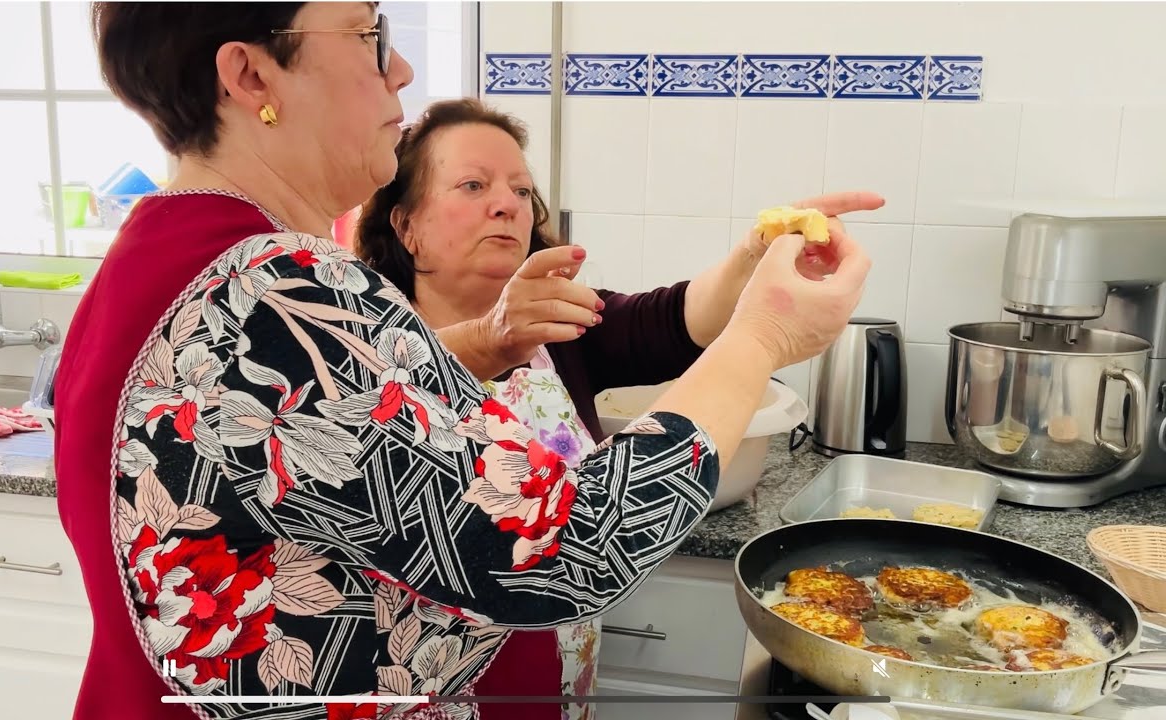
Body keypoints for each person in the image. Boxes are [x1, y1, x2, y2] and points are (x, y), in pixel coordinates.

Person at [52, 5, 872, 720]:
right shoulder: (273, 288)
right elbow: (566, 550)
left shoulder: (166, 261)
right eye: (371, 34)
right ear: (252, 76)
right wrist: (761, 339)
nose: (400, 68)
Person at [353, 97, 884, 717]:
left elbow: (677, 319)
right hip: (430, 688)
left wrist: (755, 256)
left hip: (561, 670)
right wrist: (765, 333)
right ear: (406, 225)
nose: (506, 204)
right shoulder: (362, 352)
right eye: (473, 185)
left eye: (521, 191)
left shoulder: (564, 326)